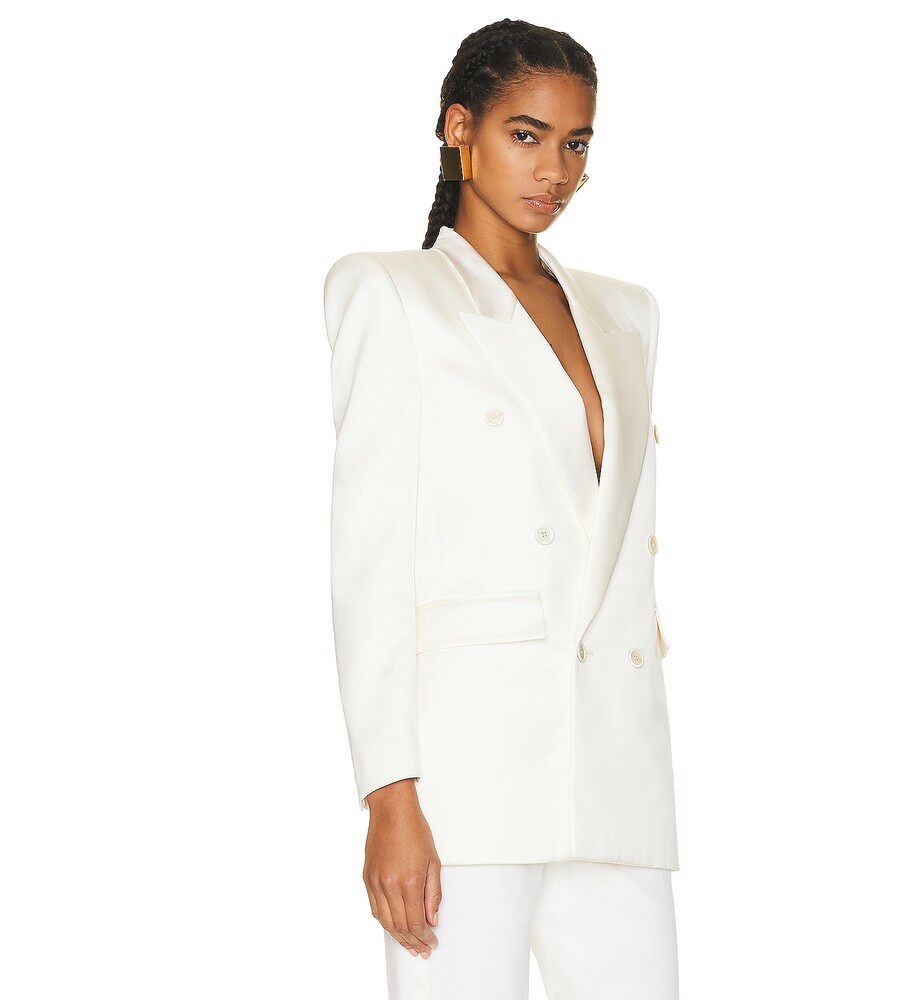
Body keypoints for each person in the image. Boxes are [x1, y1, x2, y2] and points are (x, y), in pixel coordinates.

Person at [323, 19, 678, 999]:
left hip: (617, 770)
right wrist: (390, 795)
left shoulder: (627, 313)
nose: (554, 170)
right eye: (526, 135)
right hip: (463, 775)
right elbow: (370, 559)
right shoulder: (391, 293)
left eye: (576, 143)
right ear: (459, 128)